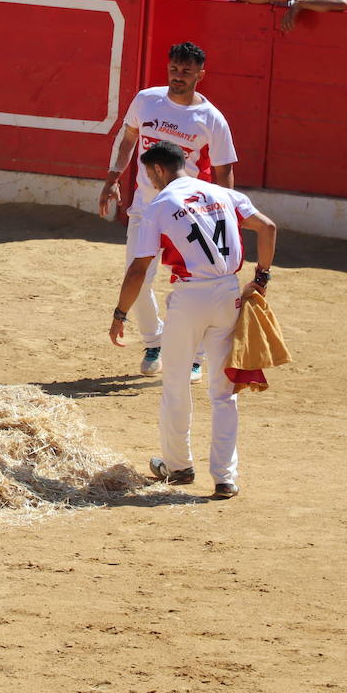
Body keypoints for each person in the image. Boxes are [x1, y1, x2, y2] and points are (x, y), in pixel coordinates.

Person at [108, 141, 278, 500]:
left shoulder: (159, 206)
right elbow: (268, 228)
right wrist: (261, 278)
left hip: (189, 298)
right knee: (224, 392)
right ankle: (225, 478)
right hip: (228, 294)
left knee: (175, 383)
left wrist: (120, 313)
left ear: (157, 171)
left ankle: (179, 466)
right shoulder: (223, 194)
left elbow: (139, 270)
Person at [98, 42, 237, 382]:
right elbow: (128, 136)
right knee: (138, 277)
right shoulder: (147, 99)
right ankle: (155, 341)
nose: (179, 76)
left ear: (200, 75)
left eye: (187, 71)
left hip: (189, 215)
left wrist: (226, 212)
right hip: (146, 208)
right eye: (175, 69)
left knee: (197, 282)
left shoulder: (211, 118)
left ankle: (194, 356)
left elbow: (223, 169)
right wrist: (113, 177)